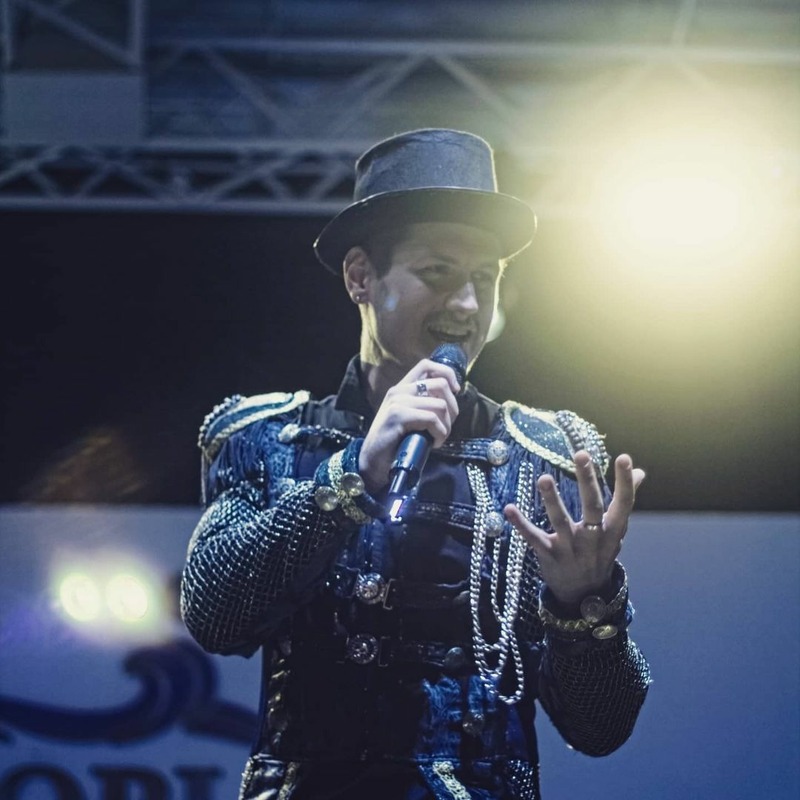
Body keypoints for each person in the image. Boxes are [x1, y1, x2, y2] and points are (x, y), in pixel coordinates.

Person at [180, 128, 651, 800]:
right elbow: (215, 617)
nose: (467, 306)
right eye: (438, 272)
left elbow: (601, 728)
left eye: (484, 278)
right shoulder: (268, 438)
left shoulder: (544, 457)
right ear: (360, 277)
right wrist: (352, 472)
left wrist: (583, 602)